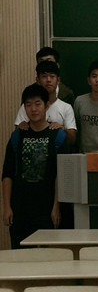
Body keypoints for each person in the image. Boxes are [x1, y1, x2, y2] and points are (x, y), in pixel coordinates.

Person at [2, 84, 67, 248]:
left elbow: (60, 175)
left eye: (38, 104)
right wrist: (7, 207)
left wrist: (56, 207)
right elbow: (7, 174)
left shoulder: (58, 136)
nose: (33, 109)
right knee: (20, 256)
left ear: (46, 106)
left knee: (48, 256)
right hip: (20, 208)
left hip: (46, 208)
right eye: (28, 104)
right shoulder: (17, 136)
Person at [14, 61, 77, 144]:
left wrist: (62, 129)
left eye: (52, 76)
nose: (48, 80)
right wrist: (20, 127)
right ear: (38, 80)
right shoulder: (28, 106)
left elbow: (73, 139)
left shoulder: (66, 107)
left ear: (58, 80)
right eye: (44, 76)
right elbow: (16, 136)